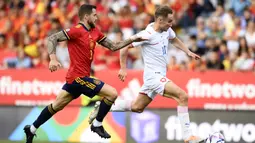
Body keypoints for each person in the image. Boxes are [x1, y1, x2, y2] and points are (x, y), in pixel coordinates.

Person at [23, 4, 145, 143]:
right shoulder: (76, 30)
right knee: (112, 93)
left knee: (57, 105)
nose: (97, 17)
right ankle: (97, 124)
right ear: (86, 16)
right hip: (77, 77)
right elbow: (52, 38)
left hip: (77, 78)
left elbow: (113, 46)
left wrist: (132, 39)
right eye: (94, 15)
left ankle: (32, 128)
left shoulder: (95, 32)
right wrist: (53, 59)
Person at [89, 5, 205, 143]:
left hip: (159, 76)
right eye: (169, 21)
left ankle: (103, 106)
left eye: (172, 21)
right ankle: (188, 136)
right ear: (160, 20)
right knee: (182, 96)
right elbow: (124, 46)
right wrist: (123, 68)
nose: (171, 24)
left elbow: (174, 39)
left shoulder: (166, 30)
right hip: (153, 77)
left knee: (137, 107)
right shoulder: (146, 35)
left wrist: (188, 52)